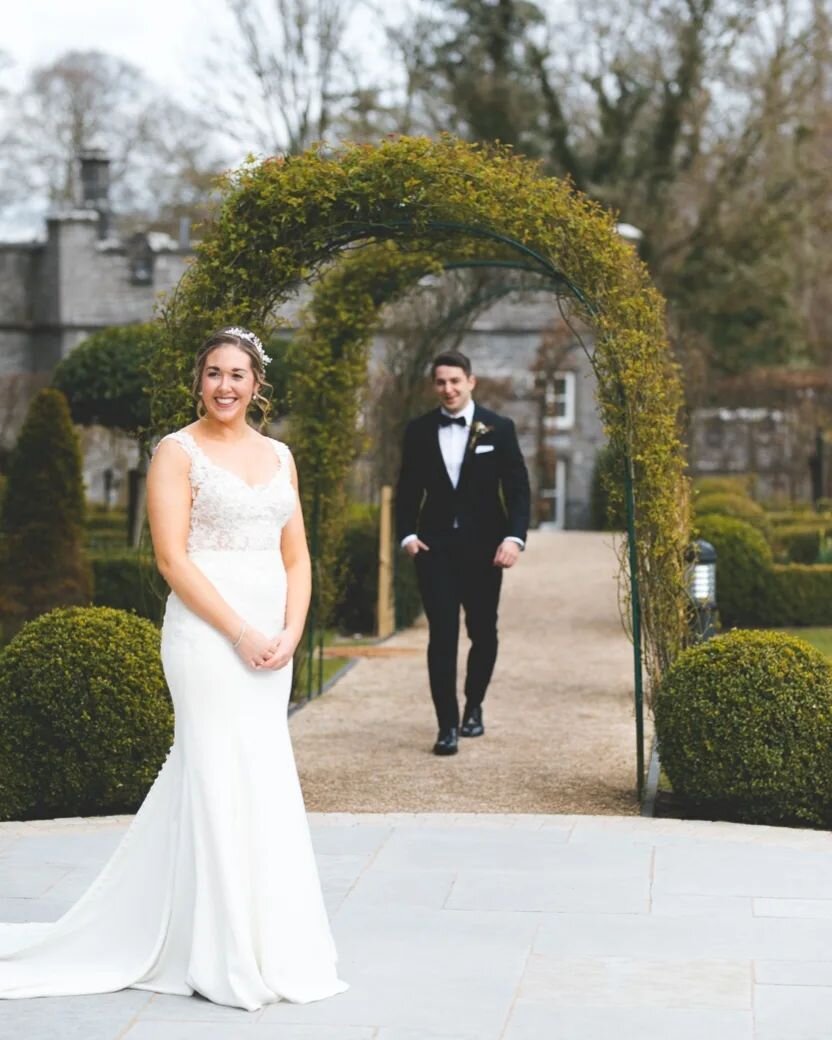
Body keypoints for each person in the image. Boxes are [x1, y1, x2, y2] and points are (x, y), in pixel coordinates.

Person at [0, 326, 348, 1011]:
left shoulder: (280, 455)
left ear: (257, 384)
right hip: (208, 636)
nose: (225, 385)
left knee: (261, 775)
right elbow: (171, 560)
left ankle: (267, 940)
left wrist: (292, 631)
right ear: (200, 382)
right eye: (214, 373)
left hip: (272, 641)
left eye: (237, 374)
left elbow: (297, 557)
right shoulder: (176, 452)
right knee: (214, 770)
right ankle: (217, 952)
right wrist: (242, 630)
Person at [395, 350, 531, 756]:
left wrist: (514, 539)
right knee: (442, 635)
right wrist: (407, 536)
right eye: (441, 382)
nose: (448, 389)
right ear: (434, 386)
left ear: (471, 382)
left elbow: (519, 489)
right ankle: (447, 725)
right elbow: (406, 490)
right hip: (434, 549)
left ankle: (474, 706)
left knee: (483, 632)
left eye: (455, 381)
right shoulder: (418, 430)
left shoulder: (499, 428)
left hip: (485, 550)